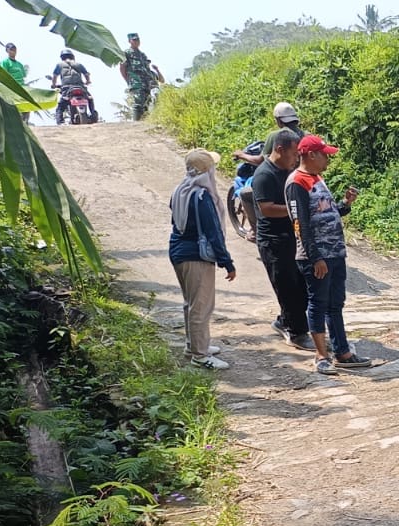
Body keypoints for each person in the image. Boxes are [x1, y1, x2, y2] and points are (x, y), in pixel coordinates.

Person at [287, 135, 372, 374]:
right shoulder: (297, 183)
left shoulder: (317, 179)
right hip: (317, 257)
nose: (328, 159)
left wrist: (345, 203)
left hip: (334, 253)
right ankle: (321, 355)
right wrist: (316, 258)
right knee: (318, 303)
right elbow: (300, 224)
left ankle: (342, 352)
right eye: (325, 154)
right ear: (311, 155)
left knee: (336, 304)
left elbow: (328, 213)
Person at [168, 149, 236, 371]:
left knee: (191, 303)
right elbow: (213, 232)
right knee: (201, 306)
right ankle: (200, 354)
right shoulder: (201, 196)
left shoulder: (180, 190)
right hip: (196, 256)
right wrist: (227, 261)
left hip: (178, 252)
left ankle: (193, 346)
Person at [249, 130, 313, 350]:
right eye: (294, 153)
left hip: (290, 237)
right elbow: (267, 209)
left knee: (301, 285)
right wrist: (296, 209)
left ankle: (284, 320)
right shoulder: (264, 175)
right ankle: (296, 333)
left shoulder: (289, 170)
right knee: (287, 288)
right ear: (279, 149)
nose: (296, 159)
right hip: (273, 241)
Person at [119, 33, 164, 122]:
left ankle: (144, 124)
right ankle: (136, 124)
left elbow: (148, 70)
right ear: (129, 41)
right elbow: (122, 67)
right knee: (138, 103)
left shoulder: (142, 55)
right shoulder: (126, 53)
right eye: (134, 40)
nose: (136, 42)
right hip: (136, 81)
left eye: (138, 40)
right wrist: (128, 80)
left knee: (146, 103)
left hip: (146, 82)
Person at [49, 50, 90, 122]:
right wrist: (88, 81)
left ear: (62, 57)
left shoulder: (59, 65)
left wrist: (54, 85)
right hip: (80, 86)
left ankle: (60, 121)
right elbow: (86, 74)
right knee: (89, 98)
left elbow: (55, 76)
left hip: (66, 87)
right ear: (72, 57)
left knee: (61, 106)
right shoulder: (79, 64)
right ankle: (93, 113)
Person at [0, 43, 29, 122]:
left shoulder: (19, 64)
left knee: (26, 105)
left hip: (21, 88)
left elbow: (23, 76)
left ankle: (24, 122)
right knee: (11, 106)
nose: (13, 51)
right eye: (11, 50)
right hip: (11, 88)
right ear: (7, 51)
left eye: (14, 50)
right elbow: (3, 75)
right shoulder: (5, 62)